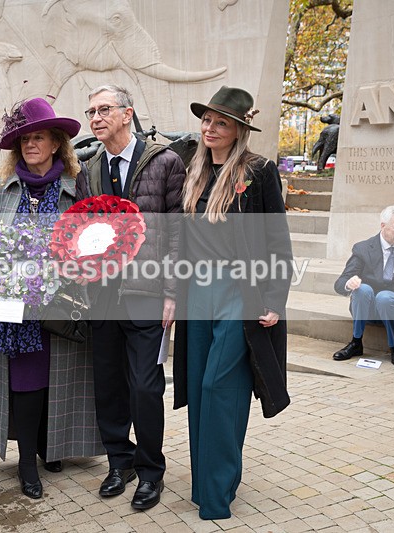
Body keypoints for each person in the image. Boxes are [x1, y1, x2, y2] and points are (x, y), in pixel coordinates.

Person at [0, 97, 104, 500]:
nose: (31, 144)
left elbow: (90, 241)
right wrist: (4, 274)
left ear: (56, 143)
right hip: (15, 306)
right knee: (26, 380)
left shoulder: (75, 187)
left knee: (58, 377)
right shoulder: (4, 189)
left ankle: (51, 445)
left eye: (39, 137)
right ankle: (27, 461)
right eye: (24, 139)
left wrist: (62, 269)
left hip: (62, 302)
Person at [171, 85, 293, 520]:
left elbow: (277, 239)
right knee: (198, 388)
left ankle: (218, 493)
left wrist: (274, 299)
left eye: (221, 122)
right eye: (206, 120)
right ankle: (204, 485)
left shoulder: (258, 171)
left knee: (219, 387)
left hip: (238, 294)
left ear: (239, 129)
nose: (210, 128)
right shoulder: (193, 166)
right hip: (195, 293)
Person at [75, 84, 184, 511]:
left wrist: (172, 292)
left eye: (104, 109)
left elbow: (178, 232)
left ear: (127, 114)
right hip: (102, 295)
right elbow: (79, 231)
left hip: (147, 293)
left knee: (144, 387)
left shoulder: (164, 161)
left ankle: (151, 471)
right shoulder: (89, 170)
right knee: (109, 386)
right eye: (91, 112)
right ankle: (120, 463)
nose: (96, 118)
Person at [333, 205, 394, 366]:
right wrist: (349, 283)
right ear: (383, 226)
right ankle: (356, 342)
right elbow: (340, 282)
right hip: (369, 308)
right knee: (362, 289)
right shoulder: (363, 248)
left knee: (385, 297)